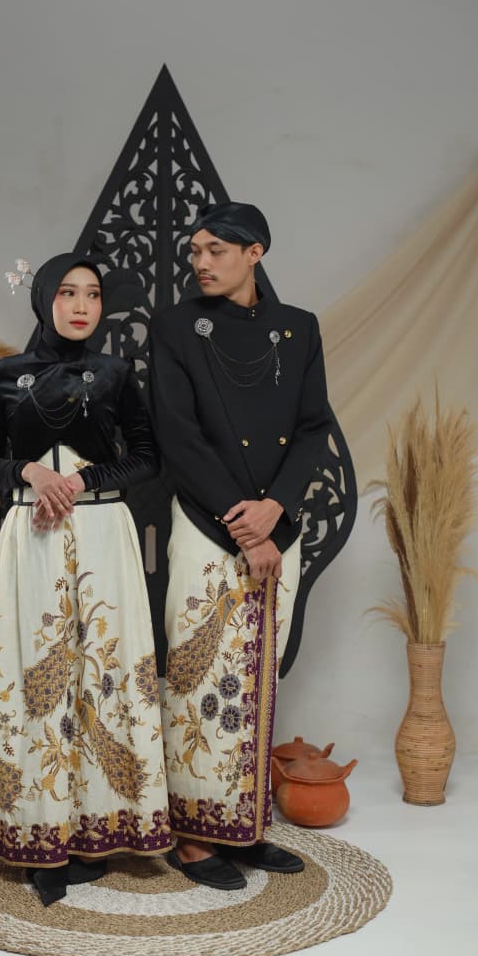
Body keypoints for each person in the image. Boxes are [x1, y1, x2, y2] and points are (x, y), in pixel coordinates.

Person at [0, 253, 172, 907]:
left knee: (103, 676)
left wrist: (80, 481)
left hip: (103, 534)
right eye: (67, 292)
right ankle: (39, 831)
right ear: (43, 301)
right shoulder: (3, 374)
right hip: (32, 535)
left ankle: (100, 827)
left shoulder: (117, 374)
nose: (82, 306)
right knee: (37, 675)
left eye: (92, 294)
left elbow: (147, 457)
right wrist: (30, 474)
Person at [149, 202, 331, 891]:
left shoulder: (298, 328)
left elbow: (312, 427)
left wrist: (275, 509)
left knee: (258, 678)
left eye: (216, 250)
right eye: (195, 250)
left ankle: (244, 828)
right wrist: (243, 524)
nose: (200, 262)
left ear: (255, 253)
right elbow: (177, 433)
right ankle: (195, 838)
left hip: (278, 525)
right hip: (207, 521)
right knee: (201, 679)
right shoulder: (174, 327)